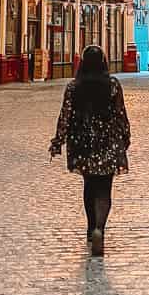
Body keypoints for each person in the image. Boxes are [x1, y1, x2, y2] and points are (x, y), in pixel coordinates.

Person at [49, 45, 131, 256]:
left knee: (89, 185)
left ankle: (90, 227)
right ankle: (100, 229)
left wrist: (58, 141)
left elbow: (64, 116)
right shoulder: (112, 85)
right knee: (104, 188)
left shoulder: (74, 87)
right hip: (108, 142)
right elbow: (120, 113)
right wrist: (125, 137)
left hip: (83, 143)